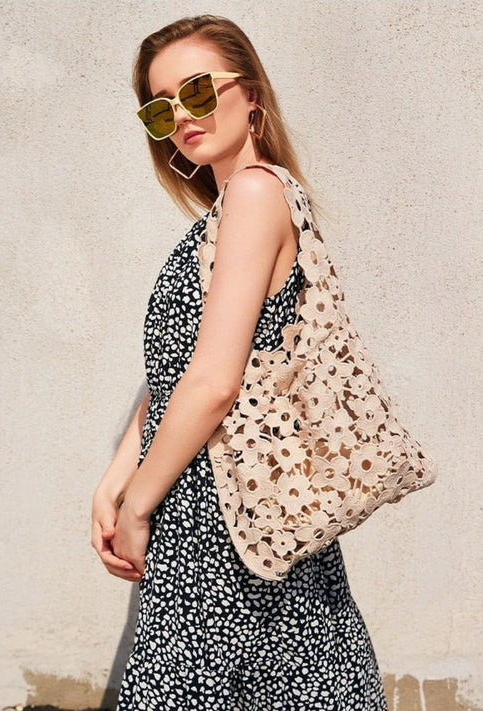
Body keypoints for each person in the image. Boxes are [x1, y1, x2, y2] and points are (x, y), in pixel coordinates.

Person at [91, 13, 389, 710]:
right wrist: (116, 477)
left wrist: (138, 503)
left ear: (250, 93)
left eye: (196, 91)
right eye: (160, 108)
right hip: (229, 509)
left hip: (221, 519)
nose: (179, 117)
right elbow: (176, 369)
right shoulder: (224, 215)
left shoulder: (256, 193)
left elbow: (215, 382)